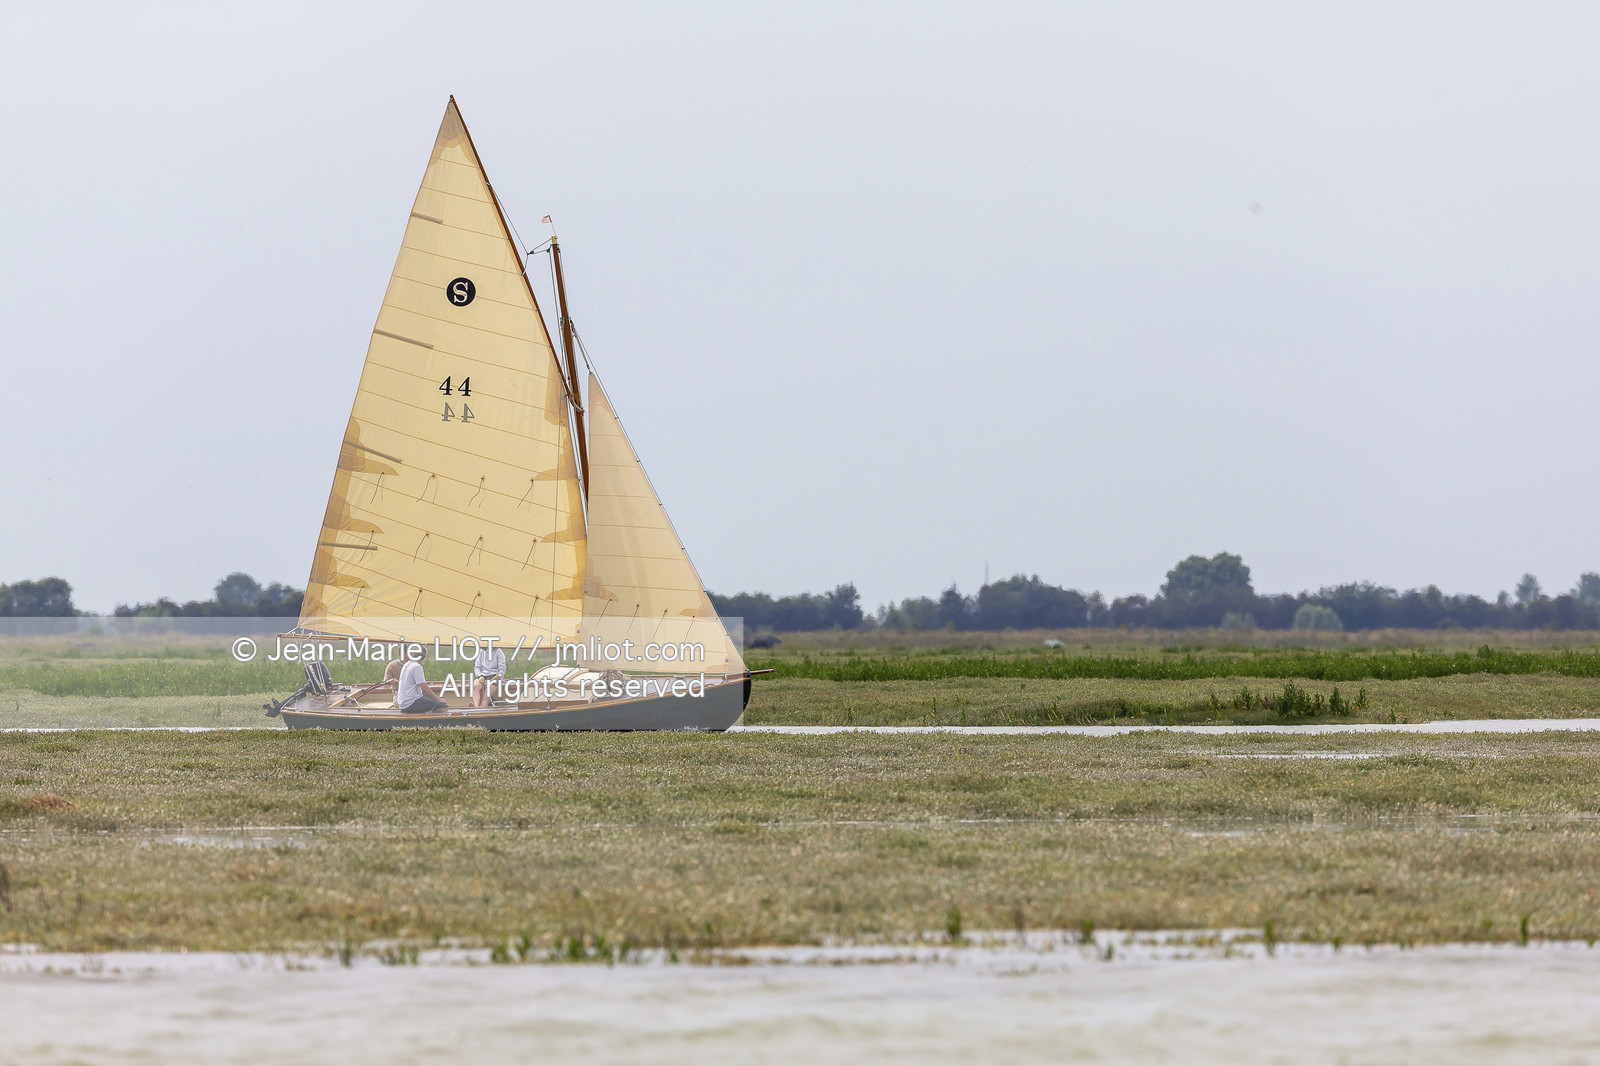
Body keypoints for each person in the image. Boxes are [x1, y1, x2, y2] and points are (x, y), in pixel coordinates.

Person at [472, 642, 507, 708]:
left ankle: (482, 709)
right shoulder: (482, 651)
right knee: (476, 686)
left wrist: (495, 678)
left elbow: (502, 669)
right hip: (483, 675)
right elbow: (477, 666)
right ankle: (476, 707)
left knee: (486, 695)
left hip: (494, 676)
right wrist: (480, 676)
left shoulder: (499, 652)